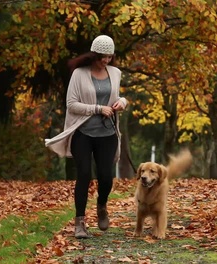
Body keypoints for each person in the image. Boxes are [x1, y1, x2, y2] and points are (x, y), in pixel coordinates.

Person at [45, 35, 128, 238]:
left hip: (107, 133)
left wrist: (122, 102)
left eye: (109, 57)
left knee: (106, 177)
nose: (106, 61)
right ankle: (80, 222)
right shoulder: (79, 74)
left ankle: (101, 205)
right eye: (102, 57)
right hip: (83, 132)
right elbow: (71, 104)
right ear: (94, 55)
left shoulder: (115, 73)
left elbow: (115, 97)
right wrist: (98, 108)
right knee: (83, 175)